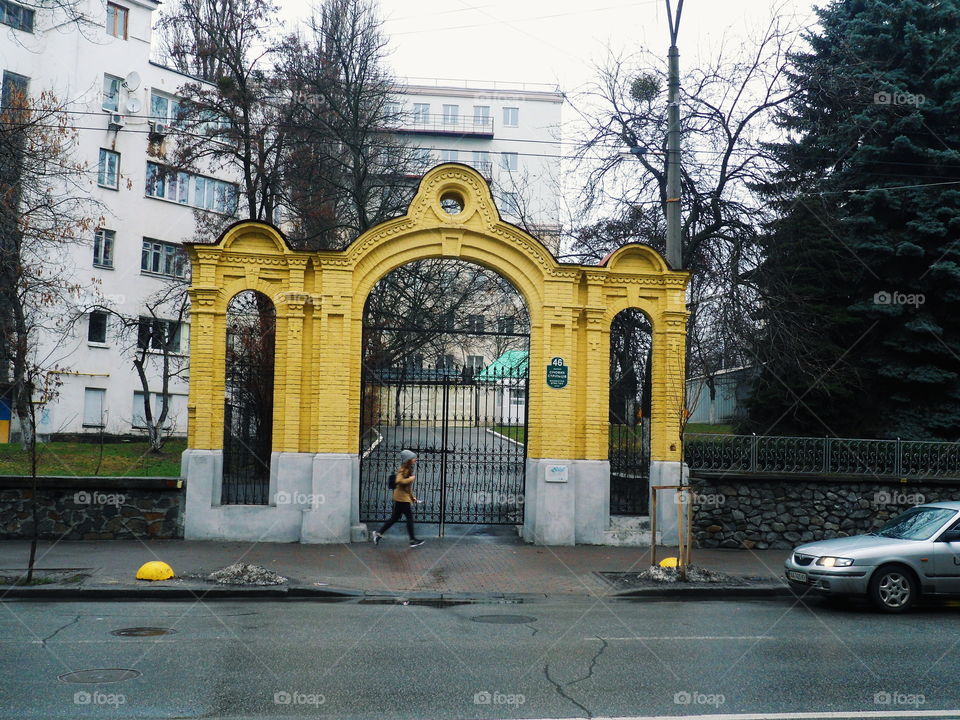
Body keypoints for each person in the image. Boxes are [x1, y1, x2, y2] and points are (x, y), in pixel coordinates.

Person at [371, 449, 424, 548]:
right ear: (409, 459)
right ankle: (412, 540)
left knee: (394, 518)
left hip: (401, 497)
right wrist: (410, 479)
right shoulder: (404, 469)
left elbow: (407, 488)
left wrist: (412, 498)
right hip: (402, 499)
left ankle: (378, 534)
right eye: (413, 458)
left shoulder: (408, 468)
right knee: (409, 518)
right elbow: (399, 480)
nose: (415, 459)